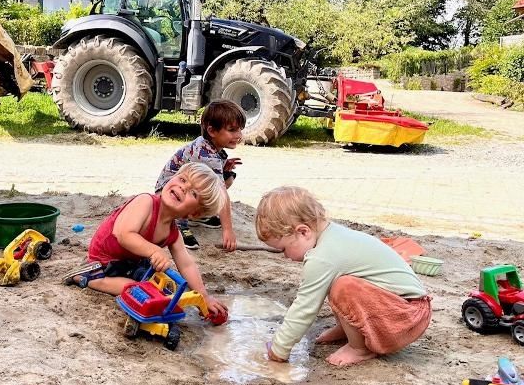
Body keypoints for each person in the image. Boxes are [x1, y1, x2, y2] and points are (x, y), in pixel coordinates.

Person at [256, 186, 431, 367]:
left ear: (303, 232)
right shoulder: (333, 235)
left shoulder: (322, 257)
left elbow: (304, 308)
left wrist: (279, 348)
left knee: (343, 286)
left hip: (406, 318)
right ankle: (351, 331)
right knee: (340, 283)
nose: (285, 256)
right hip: (404, 309)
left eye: (283, 249)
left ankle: (359, 349)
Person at [65, 162, 228, 318]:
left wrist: (204, 297)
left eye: (193, 193)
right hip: (105, 260)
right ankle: (85, 277)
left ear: (194, 214)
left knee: (161, 287)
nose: (183, 187)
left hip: (130, 263)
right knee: (134, 288)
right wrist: (155, 250)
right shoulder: (146, 202)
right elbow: (123, 234)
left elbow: (187, 265)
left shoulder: (172, 232)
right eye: (182, 179)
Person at [155, 100, 245, 251]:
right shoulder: (207, 155)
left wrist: (224, 165)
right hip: (168, 192)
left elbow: (207, 174)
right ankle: (178, 224)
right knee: (213, 188)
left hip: (182, 186)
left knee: (227, 177)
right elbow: (222, 194)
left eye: (239, 130)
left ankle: (200, 215)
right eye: (232, 130)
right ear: (212, 131)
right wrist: (228, 230)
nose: (238, 135)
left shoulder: (208, 146)